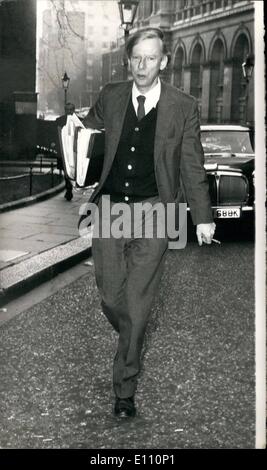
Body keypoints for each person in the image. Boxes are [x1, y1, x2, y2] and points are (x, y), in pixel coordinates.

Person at [82, 28, 216, 418]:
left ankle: (125, 388)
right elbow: (86, 131)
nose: (142, 66)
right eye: (136, 58)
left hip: (158, 212)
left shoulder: (183, 106)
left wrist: (203, 218)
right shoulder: (111, 95)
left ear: (164, 62)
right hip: (108, 210)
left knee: (138, 307)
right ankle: (131, 337)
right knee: (111, 297)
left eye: (151, 58)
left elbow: (192, 164)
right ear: (129, 60)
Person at [56, 102, 75, 201]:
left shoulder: (78, 121)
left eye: (71, 109)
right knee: (65, 171)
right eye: (67, 109)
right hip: (63, 151)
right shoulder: (60, 120)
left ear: (74, 110)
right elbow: (58, 136)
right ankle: (69, 188)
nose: (69, 111)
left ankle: (69, 188)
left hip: (74, 151)